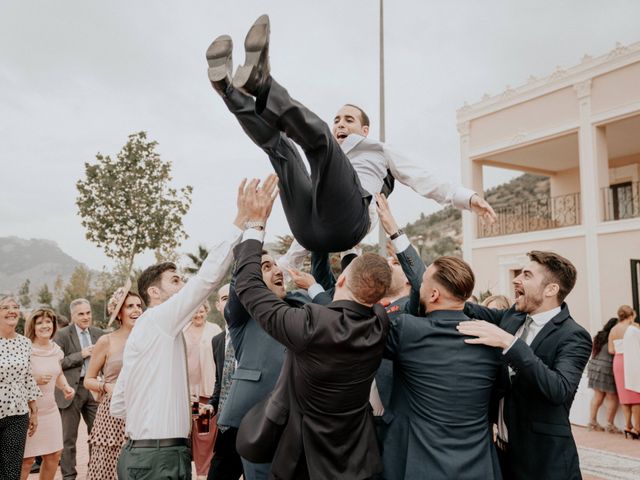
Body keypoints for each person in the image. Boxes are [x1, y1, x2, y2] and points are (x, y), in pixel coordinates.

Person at [205, 14, 495, 255]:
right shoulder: (328, 163)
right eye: (336, 120)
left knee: (320, 145)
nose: (340, 124)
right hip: (309, 232)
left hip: (349, 224)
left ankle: (262, 85)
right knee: (281, 149)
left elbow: (423, 179)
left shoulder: (377, 149)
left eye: (348, 119)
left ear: (364, 129)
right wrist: (288, 263)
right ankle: (227, 90)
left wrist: (467, 198)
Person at [232, 175, 392, 480]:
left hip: (306, 463)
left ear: (341, 280)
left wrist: (254, 225)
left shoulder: (310, 323)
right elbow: (368, 288)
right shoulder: (379, 323)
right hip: (358, 463)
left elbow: (249, 288)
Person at [111, 177, 256, 480]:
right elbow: (206, 281)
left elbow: (119, 403)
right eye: (175, 280)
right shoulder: (158, 319)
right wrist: (241, 221)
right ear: (154, 293)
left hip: (139, 453)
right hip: (159, 458)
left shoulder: (147, 332)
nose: (183, 286)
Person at [458, 251, 592, 480]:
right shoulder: (512, 317)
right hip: (501, 455)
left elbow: (558, 389)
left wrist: (509, 343)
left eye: (527, 275)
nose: (516, 279)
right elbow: (462, 305)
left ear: (551, 289)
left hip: (545, 464)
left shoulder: (574, 336)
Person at [383, 256, 502, 480]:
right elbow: (499, 391)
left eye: (423, 283)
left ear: (434, 295)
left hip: (417, 462)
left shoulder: (408, 330)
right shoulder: (491, 338)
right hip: (477, 464)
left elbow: (359, 340)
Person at [83, 286, 142, 480]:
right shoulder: (106, 341)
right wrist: (105, 386)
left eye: (139, 306)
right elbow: (88, 380)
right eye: (129, 306)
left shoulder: (147, 338)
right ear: (118, 313)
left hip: (141, 408)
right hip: (112, 413)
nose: (136, 310)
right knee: (109, 467)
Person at [21, 308, 75, 480]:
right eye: (40, 322)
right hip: (29, 412)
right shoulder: (24, 349)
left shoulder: (55, 349)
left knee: (53, 456)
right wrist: (34, 379)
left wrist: (65, 387)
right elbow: (13, 378)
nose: (45, 326)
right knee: (27, 460)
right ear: (33, 326)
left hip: (51, 411)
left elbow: (57, 373)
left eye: (48, 322)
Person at [54, 298, 104, 480]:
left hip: (94, 389)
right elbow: (57, 362)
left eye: (88, 312)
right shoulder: (62, 335)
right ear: (72, 316)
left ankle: (95, 473)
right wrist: (80, 355)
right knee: (69, 439)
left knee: (97, 435)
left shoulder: (99, 333)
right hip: (70, 391)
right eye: (81, 314)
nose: (86, 317)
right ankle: (69, 476)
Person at [0, 295, 42, 480]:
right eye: (5, 307)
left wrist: (33, 410)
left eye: (15, 307)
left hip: (18, 412)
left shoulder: (24, 342)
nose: (11, 311)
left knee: (11, 469)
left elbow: (27, 377)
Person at [183, 301, 222, 479]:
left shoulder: (214, 329)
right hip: (188, 394)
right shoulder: (182, 331)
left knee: (203, 435)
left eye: (201, 311)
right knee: (185, 434)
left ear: (207, 311)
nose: (198, 315)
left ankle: (202, 473)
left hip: (206, 395)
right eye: (194, 312)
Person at [610, 305, 640, 439]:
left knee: (625, 397)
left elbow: (611, 350)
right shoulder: (633, 328)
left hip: (618, 361)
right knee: (635, 396)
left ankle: (627, 426)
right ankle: (637, 427)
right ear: (631, 315)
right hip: (631, 360)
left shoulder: (613, 329)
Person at [586, 317, 620, 433]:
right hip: (606, 367)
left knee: (598, 396)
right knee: (612, 397)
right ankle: (610, 425)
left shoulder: (599, 336)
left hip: (594, 366)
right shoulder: (614, 336)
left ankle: (592, 422)